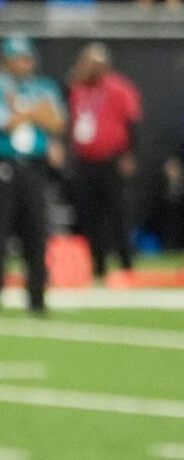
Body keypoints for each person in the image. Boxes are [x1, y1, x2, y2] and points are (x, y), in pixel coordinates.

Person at [0, 35, 63, 314]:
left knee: (37, 232)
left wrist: (21, 108)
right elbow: (3, 122)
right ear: (6, 60)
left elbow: (58, 122)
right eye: (18, 58)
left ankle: (37, 297)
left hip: (35, 167)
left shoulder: (44, 86)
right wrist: (35, 111)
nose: (23, 64)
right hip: (5, 166)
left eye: (27, 58)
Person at [64, 42, 142, 281]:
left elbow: (133, 122)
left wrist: (130, 154)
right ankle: (98, 266)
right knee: (89, 216)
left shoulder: (119, 88)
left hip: (112, 160)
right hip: (85, 161)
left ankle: (126, 265)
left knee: (118, 215)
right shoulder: (77, 89)